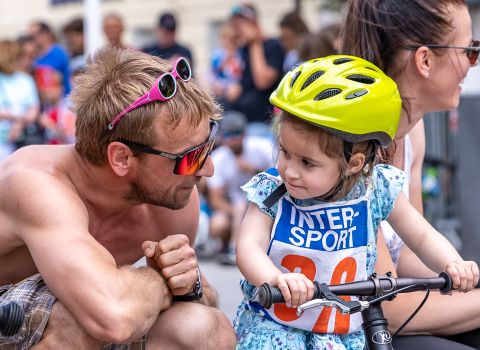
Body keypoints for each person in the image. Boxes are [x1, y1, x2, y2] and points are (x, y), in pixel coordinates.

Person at [233, 56, 479, 349]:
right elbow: (248, 247)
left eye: (307, 162)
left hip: (344, 334)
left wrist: (452, 263)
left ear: (354, 163)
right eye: (285, 152)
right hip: (279, 330)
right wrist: (274, 278)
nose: (290, 171)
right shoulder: (272, 191)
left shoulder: (374, 190)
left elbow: (422, 235)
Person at [0, 47, 236, 349]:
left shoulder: (173, 197)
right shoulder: (36, 183)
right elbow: (113, 316)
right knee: (83, 321)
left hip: (104, 304)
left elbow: (201, 295)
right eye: (191, 157)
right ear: (122, 158)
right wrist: (159, 281)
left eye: (208, 145)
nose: (209, 169)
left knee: (207, 329)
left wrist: (191, 284)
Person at [341, 1, 480, 349]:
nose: (470, 64)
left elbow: (406, 255)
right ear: (425, 60)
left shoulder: (412, 131)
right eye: (469, 51)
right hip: (346, 327)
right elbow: (391, 306)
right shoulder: (351, 144)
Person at [207, 110, 274, 265]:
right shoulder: (219, 158)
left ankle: (238, 249)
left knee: (247, 205)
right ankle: (231, 247)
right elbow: (215, 200)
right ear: (222, 138)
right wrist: (240, 214)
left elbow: (281, 178)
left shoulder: (262, 148)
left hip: (264, 203)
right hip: (235, 208)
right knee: (218, 224)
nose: (233, 139)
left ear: (245, 134)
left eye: (237, 134)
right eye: (229, 135)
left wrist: (254, 170)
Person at [229, 3, 284, 127]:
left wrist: (255, 43)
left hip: (263, 122)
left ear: (252, 22)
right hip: (242, 120)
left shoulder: (273, 46)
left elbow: (263, 82)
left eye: (239, 25)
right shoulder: (243, 49)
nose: (236, 30)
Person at [0, 40, 40, 160]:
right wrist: (17, 118)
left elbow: (34, 110)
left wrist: (19, 123)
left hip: (21, 139)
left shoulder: (26, 80)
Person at [29, 21, 71, 96]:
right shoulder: (32, 56)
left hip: (62, 99)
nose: (33, 38)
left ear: (47, 33)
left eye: (36, 34)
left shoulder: (58, 53)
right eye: (30, 36)